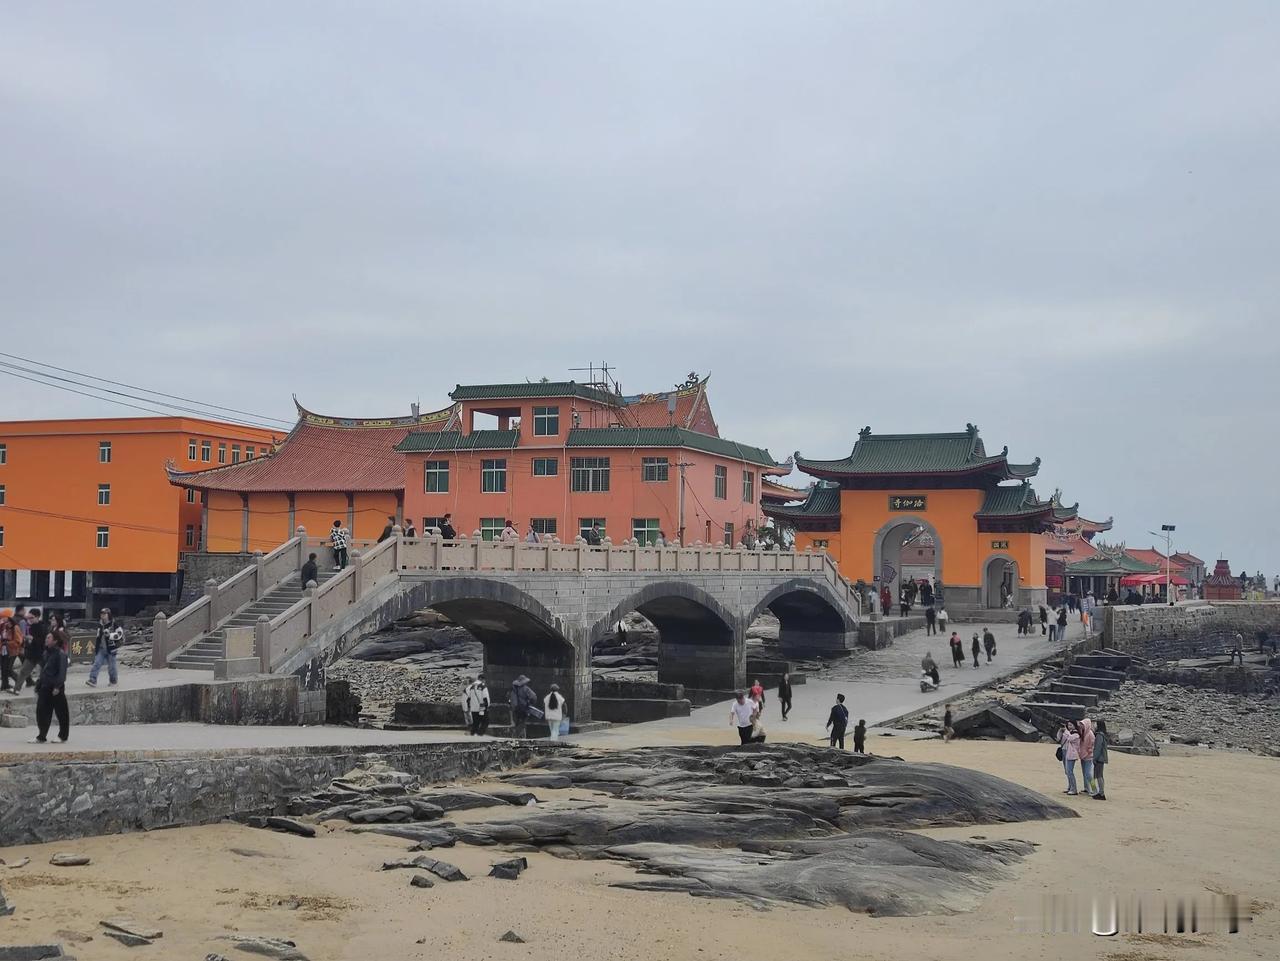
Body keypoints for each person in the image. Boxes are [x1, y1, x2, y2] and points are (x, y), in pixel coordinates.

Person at [32, 623, 69, 744]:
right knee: (41, 711)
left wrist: (58, 686)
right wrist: (38, 685)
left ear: (55, 641)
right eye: (46, 638)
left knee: (61, 712)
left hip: (55, 687)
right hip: (45, 686)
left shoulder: (60, 654)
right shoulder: (46, 653)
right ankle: (41, 735)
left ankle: (63, 735)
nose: (46, 640)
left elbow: (62, 672)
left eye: (49, 638)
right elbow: (43, 671)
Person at [13, 609, 47, 692]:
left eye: (32, 617)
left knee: (44, 672)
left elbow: (44, 641)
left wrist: (33, 639)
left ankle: (44, 688)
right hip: (31, 654)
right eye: (28, 618)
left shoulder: (43, 627)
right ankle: (16, 689)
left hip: (41, 654)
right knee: (23, 671)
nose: (30, 620)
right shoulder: (30, 626)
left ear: (38, 617)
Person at [86, 607, 121, 687]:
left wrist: (110, 635)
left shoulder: (114, 624)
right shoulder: (100, 625)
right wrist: (96, 648)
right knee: (97, 663)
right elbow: (98, 637)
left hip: (111, 649)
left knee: (112, 667)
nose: (103, 616)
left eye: (104, 614)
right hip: (101, 649)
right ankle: (92, 680)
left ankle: (113, 681)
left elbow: (120, 634)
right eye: (102, 614)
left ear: (108, 615)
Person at [0, 605, 22, 693]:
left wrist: (7, 643)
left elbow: (18, 641)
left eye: (4, 618)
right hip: (4, 650)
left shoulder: (15, 628)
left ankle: (18, 682)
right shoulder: (4, 627)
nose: (3, 620)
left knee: (8, 669)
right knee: (3, 668)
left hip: (12, 651)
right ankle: (4, 685)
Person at [1058, 720, 1081, 795]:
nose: (1069, 727)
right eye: (1068, 725)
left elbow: (1070, 739)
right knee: (1067, 771)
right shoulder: (1070, 733)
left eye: (1071, 725)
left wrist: (1066, 731)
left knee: (1088, 775)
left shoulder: (1076, 734)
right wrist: (1061, 731)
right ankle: (1070, 787)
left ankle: (1074, 789)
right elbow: (1059, 738)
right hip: (1068, 753)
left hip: (1073, 755)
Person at [1091, 719, 1110, 800]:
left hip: (1099, 758)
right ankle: (1098, 792)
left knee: (1098, 776)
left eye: (1095, 724)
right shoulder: (1103, 735)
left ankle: (1101, 793)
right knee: (1098, 775)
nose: (1094, 725)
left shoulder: (1099, 735)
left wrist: (1094, 758)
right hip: (1101, 758)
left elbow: (1097, 748)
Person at [1078, 717, 1096, 797]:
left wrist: (1087, 752)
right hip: (1083, 756)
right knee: (1084, 773)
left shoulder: (1090, 734)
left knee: (1088, 774)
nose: (1081, 726)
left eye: (1083, 725)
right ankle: (1086, 788)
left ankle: (1094, 789)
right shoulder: (1082, 733)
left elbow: (1091, 746)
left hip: (1089, 757)